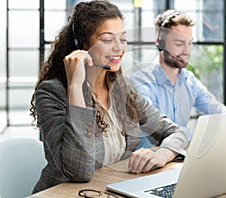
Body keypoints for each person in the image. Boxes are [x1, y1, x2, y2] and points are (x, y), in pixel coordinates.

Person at [29, 1, 187, 193]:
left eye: (123, 39)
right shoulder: (52, 92)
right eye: (107, 40)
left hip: (108, 190)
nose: (118, 48)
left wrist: (163, 153)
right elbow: (80, 170)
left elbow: (176, 132)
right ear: (81, 44)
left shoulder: (121, 88)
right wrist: (75, 87)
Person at [130, 10, 226, 148]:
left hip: (176, 159)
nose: (187, 51)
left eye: (190, 43)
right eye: (179, 43)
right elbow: (159, 129)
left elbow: (219, 112)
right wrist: (194, 135)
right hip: (147, 163)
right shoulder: (140, 82)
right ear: (159, 43)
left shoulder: (190, 80)